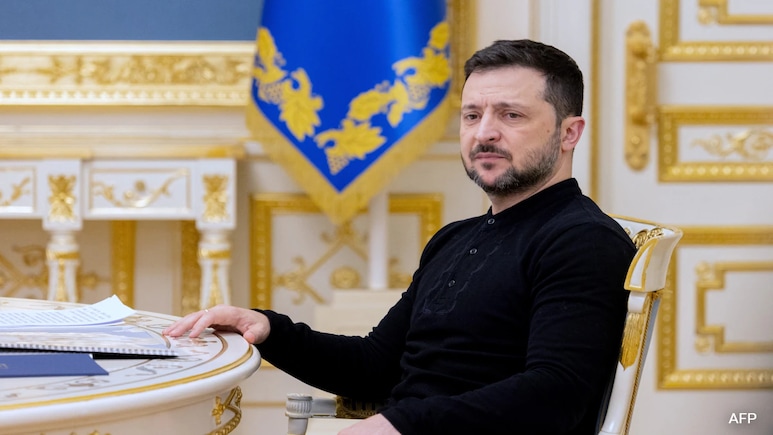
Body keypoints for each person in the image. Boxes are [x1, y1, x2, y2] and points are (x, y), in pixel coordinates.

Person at [164, 39, 636, 435]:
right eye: (472, 115)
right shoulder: (455, 238)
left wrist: (399, 425)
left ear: (569, 133)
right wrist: (267, 329)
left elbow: (556, 396)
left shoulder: (583, 241)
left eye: (511, 115)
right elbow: (374, 367)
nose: (485, 133)